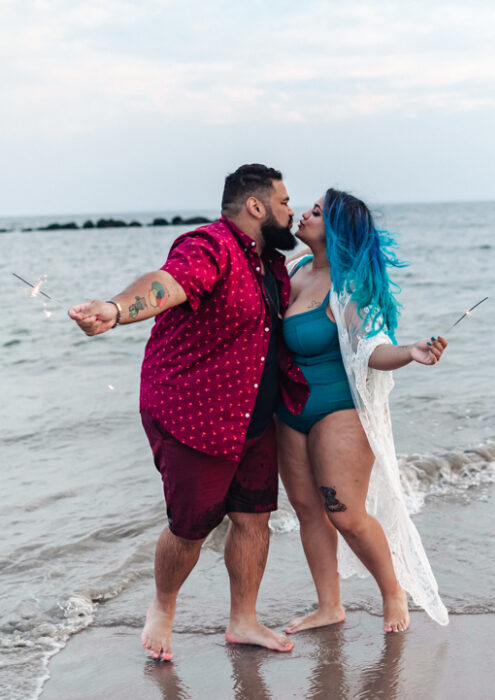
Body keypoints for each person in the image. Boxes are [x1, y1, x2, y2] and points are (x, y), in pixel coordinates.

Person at [68, 164, 309, 660]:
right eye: (284, 202)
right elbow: (168, 283)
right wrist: (115, 311)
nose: (291, 210)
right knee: (190, 527)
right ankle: (162, 606)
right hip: (195, 416)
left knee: (253, 518)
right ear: (256, 206)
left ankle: (243, 620)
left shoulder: (272, 266)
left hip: (254, 419)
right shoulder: (210, 246)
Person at [276, 189, 450, 633]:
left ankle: (393, 592)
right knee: (307, 511)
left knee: (345, 513)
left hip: (339, 409)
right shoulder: (292, 270)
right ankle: (329, 606)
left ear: (335, 230)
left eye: (316, 213)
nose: (304, 216)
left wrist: (410, 351)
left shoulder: (350, 285)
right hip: (290, 410)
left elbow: (370, 348)